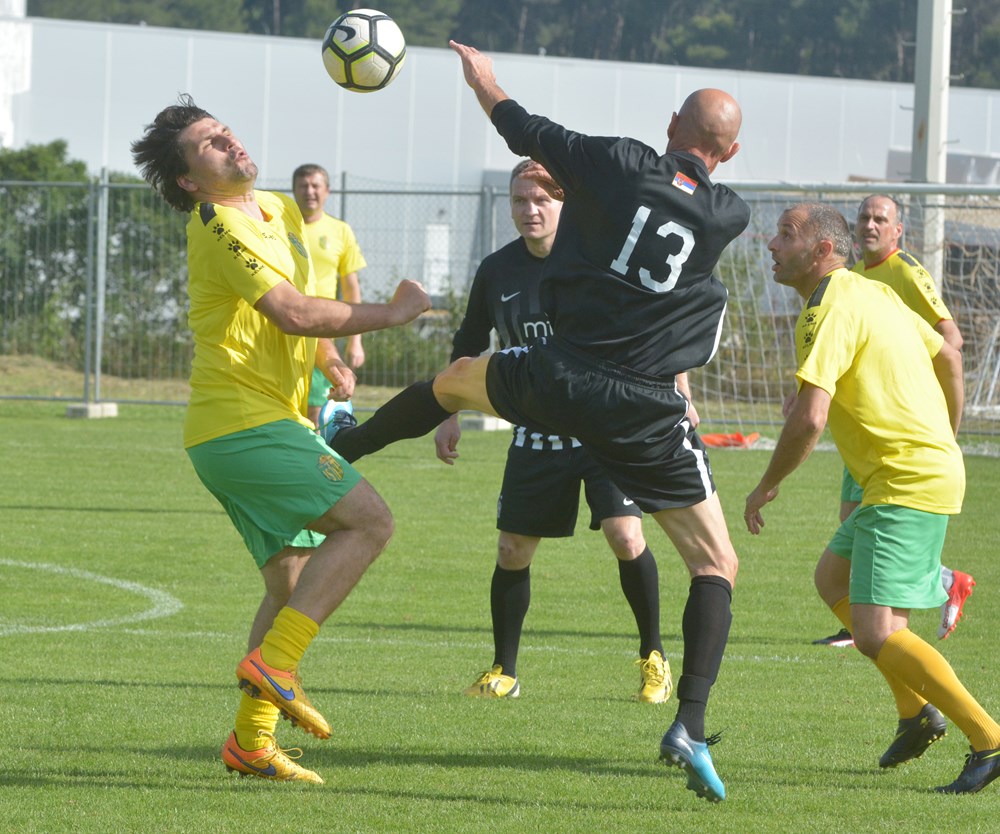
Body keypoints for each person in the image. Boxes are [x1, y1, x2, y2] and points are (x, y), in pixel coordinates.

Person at [322, 41, 751, 803]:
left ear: (668, 126)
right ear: (732, 153)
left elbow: (522, 128)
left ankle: (340, 446)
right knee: (715, 564)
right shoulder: (728, 215)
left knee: (453, 382)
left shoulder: (619, 161)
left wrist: (484, 79)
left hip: (562, 373)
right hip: (645, 404)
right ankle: (688, 723)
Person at [130, 95, 429, 784]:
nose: (229, 142)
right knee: (370, 522)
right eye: (210, 144)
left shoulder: (275, 207)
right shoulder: (216, 223)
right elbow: (291, 312)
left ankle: (251, 741)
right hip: (242, 425)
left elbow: (293, 304)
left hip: (266, 420)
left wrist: (327, 356)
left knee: (290, 581)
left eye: (225, 131)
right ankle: (277, 664)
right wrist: (392, 314)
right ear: (189, 181)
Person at [746, 202, 1000, 794]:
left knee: (877, 632)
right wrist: (946, 435)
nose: (771, 245)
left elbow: (810, 418)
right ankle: (916, 715)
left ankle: (988, 737)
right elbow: (949, 355)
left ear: (822, 251)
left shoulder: (829, 305)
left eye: (785, 234)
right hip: (905, 474)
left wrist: (766, 484)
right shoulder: (870, 291)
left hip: (904, 478)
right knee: (832, 579)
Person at [437, 158, 670, 704]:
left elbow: (649, 328)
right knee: (512, 549)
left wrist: (673, 387)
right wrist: (447, 411)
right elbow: (468, 342)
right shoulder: (497, 270)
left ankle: (655, 658)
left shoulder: (599, 259)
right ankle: (504, 671)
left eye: (542, 199)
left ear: (565, 203)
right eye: (520, 200)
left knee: (625, 535)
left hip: (604, 429)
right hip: (537, 433)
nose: (531, 210)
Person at [811, 193, 974, 648]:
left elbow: (952, 339)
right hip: (866, 421)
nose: (870, 225)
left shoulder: (905, 271)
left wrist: (932, 408)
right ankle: (874, 619)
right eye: (864, 217)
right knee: (852, 525)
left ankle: (895, 618)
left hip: (900, 429)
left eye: (880, 219)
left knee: (864, 527)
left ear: (897, 230)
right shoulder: (853, 277)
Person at [291, 163, 367, 427]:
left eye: (315, 185)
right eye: (303, 186)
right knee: (282, 409)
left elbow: (351, 288)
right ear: (294, 190)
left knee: (316, 411)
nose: (309, 191)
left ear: (327, 191)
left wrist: (356, 341)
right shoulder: (279, 226)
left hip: (319, 333)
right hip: (281, 328)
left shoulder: (340, 231)